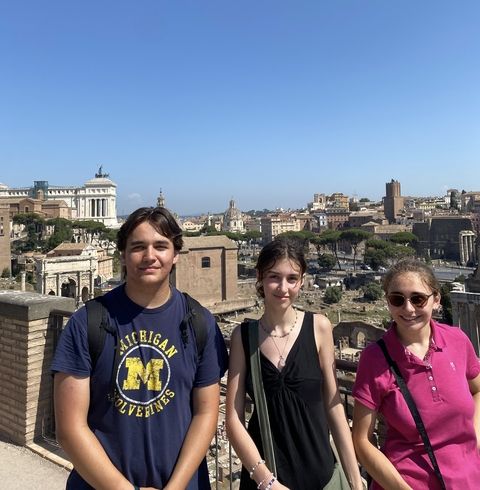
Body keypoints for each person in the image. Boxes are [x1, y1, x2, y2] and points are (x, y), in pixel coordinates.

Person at [51, 206, 228, 490]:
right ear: (122, 254)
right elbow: (70, 429)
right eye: (138, 247)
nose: (150, 256)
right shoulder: (86, 323)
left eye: (161, 246)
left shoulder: (200, 322)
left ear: (175, 255)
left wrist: (176, 486)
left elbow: (206, 414)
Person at [226, 236, 363, 490]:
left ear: (302, 281)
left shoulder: (319, 327)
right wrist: (267, 481)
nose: (283, 287)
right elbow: (233, 419)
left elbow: (334, 409)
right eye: (274, 277)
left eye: (292, 279)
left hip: (321, 477)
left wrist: (355, 479)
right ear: (260, 277)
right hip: (266, 481)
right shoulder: (242, 338)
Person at [352, 258, 480, 490]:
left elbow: (478, 388)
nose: (408, 308)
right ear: (388, 302)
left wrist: (475, 438)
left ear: (436, 300)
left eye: (418, 299)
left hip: (468, 480)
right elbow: (362, 440)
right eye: (397, 299)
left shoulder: (457, 340)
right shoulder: (374, 358)